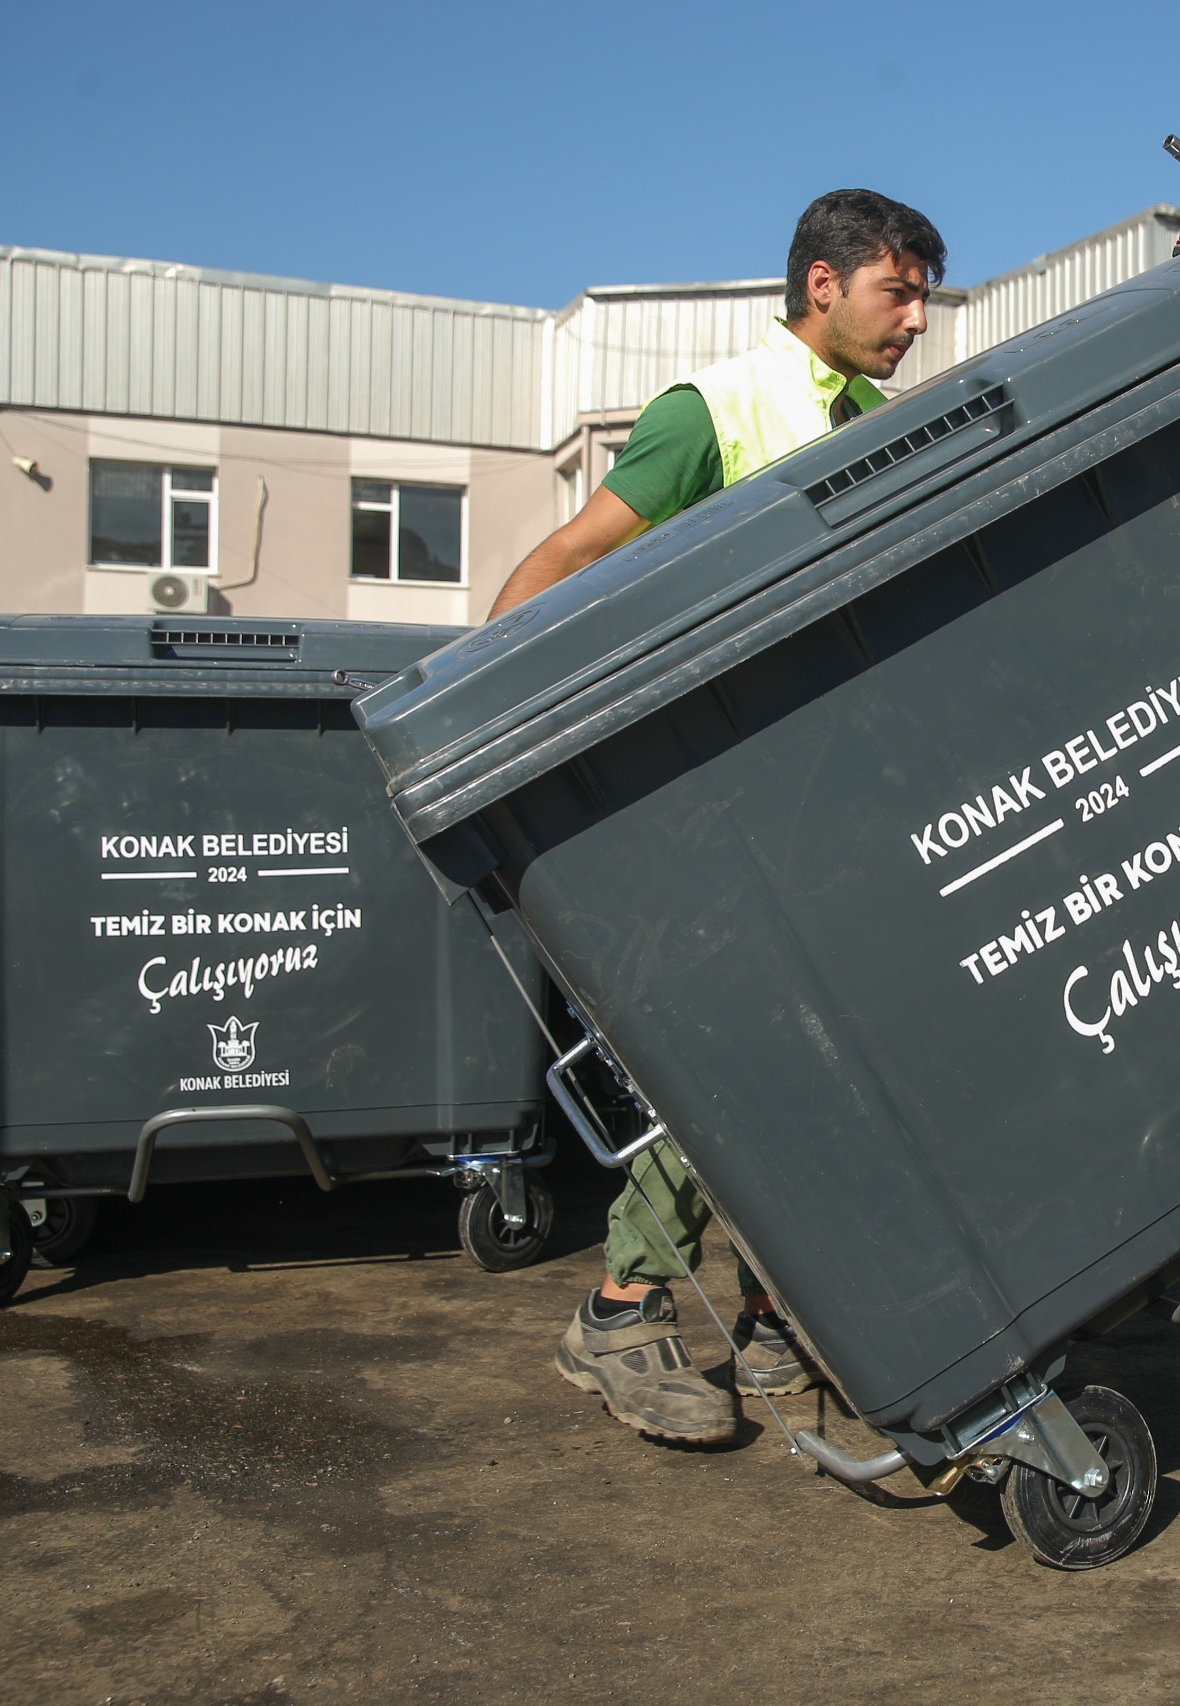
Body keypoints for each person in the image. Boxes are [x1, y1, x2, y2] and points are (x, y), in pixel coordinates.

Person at [494, 188, 946, 1444]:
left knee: (817, 1072)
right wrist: (489, 745)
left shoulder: (873, 424)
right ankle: (622, 1309)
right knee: (736, 1072)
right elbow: (561, 565)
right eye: (895, 292)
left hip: (818, 813)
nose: (916, 318)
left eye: (920, 295)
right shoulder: (718, 412)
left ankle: (767, 1325)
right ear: (820, 283)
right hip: (708, 821)